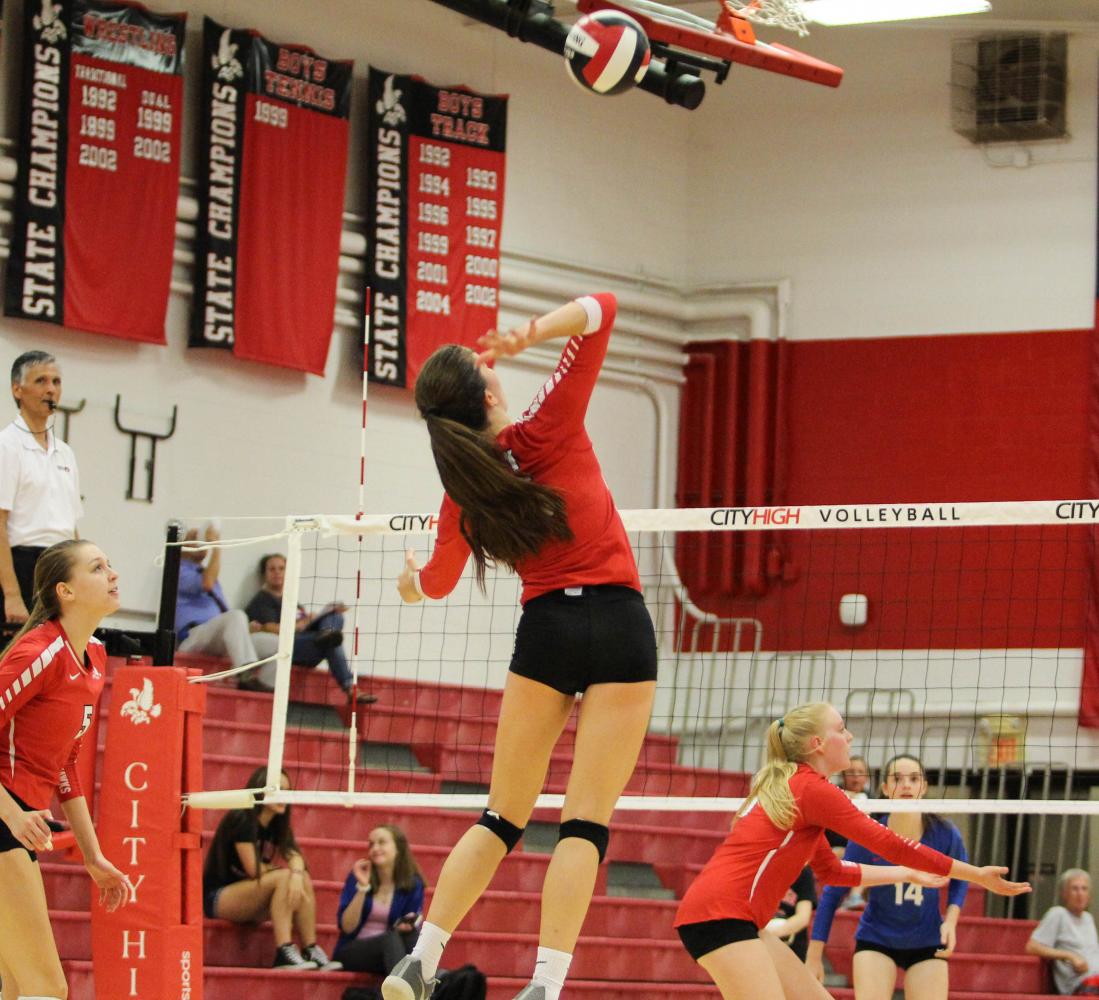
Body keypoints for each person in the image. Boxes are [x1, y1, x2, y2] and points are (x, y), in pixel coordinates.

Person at [383, 293, 659, 1000]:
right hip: (621, 626)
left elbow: (436, 585)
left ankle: (422, 956)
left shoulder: (464, 487)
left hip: (548, 633)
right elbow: (603, 306)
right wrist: (527, 334)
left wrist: (408, 584)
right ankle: (545, 984)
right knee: (584, 822)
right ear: (487, 389)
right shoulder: (549, 428)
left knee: (502, 814)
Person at [674, 702, 1031, 1000]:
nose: (850, 737)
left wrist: (904, 874)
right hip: (720, 917)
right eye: (842, 729)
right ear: (817, 743)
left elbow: (832, 871)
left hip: (732, 918)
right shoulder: (811, 790)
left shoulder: (801, 789)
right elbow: (891, 844)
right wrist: (976, 875)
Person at [0, 539, 131, 998]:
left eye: (109, 564)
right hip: (6, 816)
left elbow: (66, 766)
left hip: (21, 818)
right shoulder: (38, 652)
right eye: (98, 567)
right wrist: (12, 815)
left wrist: (93, 857)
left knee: (15, 989)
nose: (112, 574)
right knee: (46, 989)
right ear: (65, 591)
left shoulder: (93, 658)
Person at [807, 754, 970, 1000]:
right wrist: (814, 954)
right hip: (877, 939)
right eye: (897, 779)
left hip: (927, 940)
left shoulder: (944, 834)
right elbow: (832, 893)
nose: (906, 785)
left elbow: (962, 877)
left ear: (923, 787)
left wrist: (951, 921)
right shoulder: (867, 835)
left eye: (914, 779)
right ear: (885, 788)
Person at [202, 765, 337, 971]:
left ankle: (311, 948)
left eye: (287, 791)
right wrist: (289, 875)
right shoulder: (242, 817)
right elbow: (253, 870)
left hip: (249, 897)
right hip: (218, 898)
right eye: (279, 789)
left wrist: (297, 874)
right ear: (261, 789)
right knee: (285, 878)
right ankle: (284, 951)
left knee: (301, 878)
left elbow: (295, 856)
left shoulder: (276, 822)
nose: (284, 796)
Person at [0, 351, 82, 627]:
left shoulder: (65, 453)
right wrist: (11, 594)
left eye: (56, 382)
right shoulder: (7, 446)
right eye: (41, 381)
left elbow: (72, 528)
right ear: (17, 389)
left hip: (60, 565)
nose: (51, 389)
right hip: (23, 565)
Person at [246, 552, 374, 703]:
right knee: (330, 642)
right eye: (272, 569)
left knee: (335, 616)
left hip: (305, 645)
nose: (277, 573)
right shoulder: (262, 600)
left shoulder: (292, 600)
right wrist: (305, 622)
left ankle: (326, 632)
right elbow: (272, 629)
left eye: (281, 568)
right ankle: (349, 687)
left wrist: (313, 619)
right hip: (286, 650)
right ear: (264, 574)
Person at [174, 524, 264, 689]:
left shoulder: (207, 572)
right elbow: (207, 584)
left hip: (214, 636)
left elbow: (225, 615)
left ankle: (267, 688)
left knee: (273, 644)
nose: (201, 543)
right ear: (182, 546)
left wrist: (244, 627)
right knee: (236, 616)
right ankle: (245, 674)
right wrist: (216, 547)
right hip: (192, 637)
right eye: (194, 539)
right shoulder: (178, 569)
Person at [334, 824, 425, 974]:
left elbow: (411, 923)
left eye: (382, 842)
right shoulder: (357, 876)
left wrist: (406, 926)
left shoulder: (413, 883)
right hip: (353, 950)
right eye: (371, 844)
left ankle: (410, 989)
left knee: (411, 937)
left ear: (398, 848)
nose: (375, 848)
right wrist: (362, 888)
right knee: (389, 940)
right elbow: (347, 927)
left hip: (393, 952)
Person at [1026, 868, 1099, 995]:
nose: (1080, 893)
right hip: (1079, 983)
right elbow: (1032, 947)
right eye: (1075, 889)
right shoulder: (1058, 914)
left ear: (1090, 895)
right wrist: (1070, 956)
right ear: (1064, 893)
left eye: (1084, 889)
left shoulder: (1088, 918)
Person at [765, 867, 816, 962]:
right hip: (760, 950)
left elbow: (803, 917)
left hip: (793, 951)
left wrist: (770, 934)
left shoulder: (803, 871)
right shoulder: (757, 869)